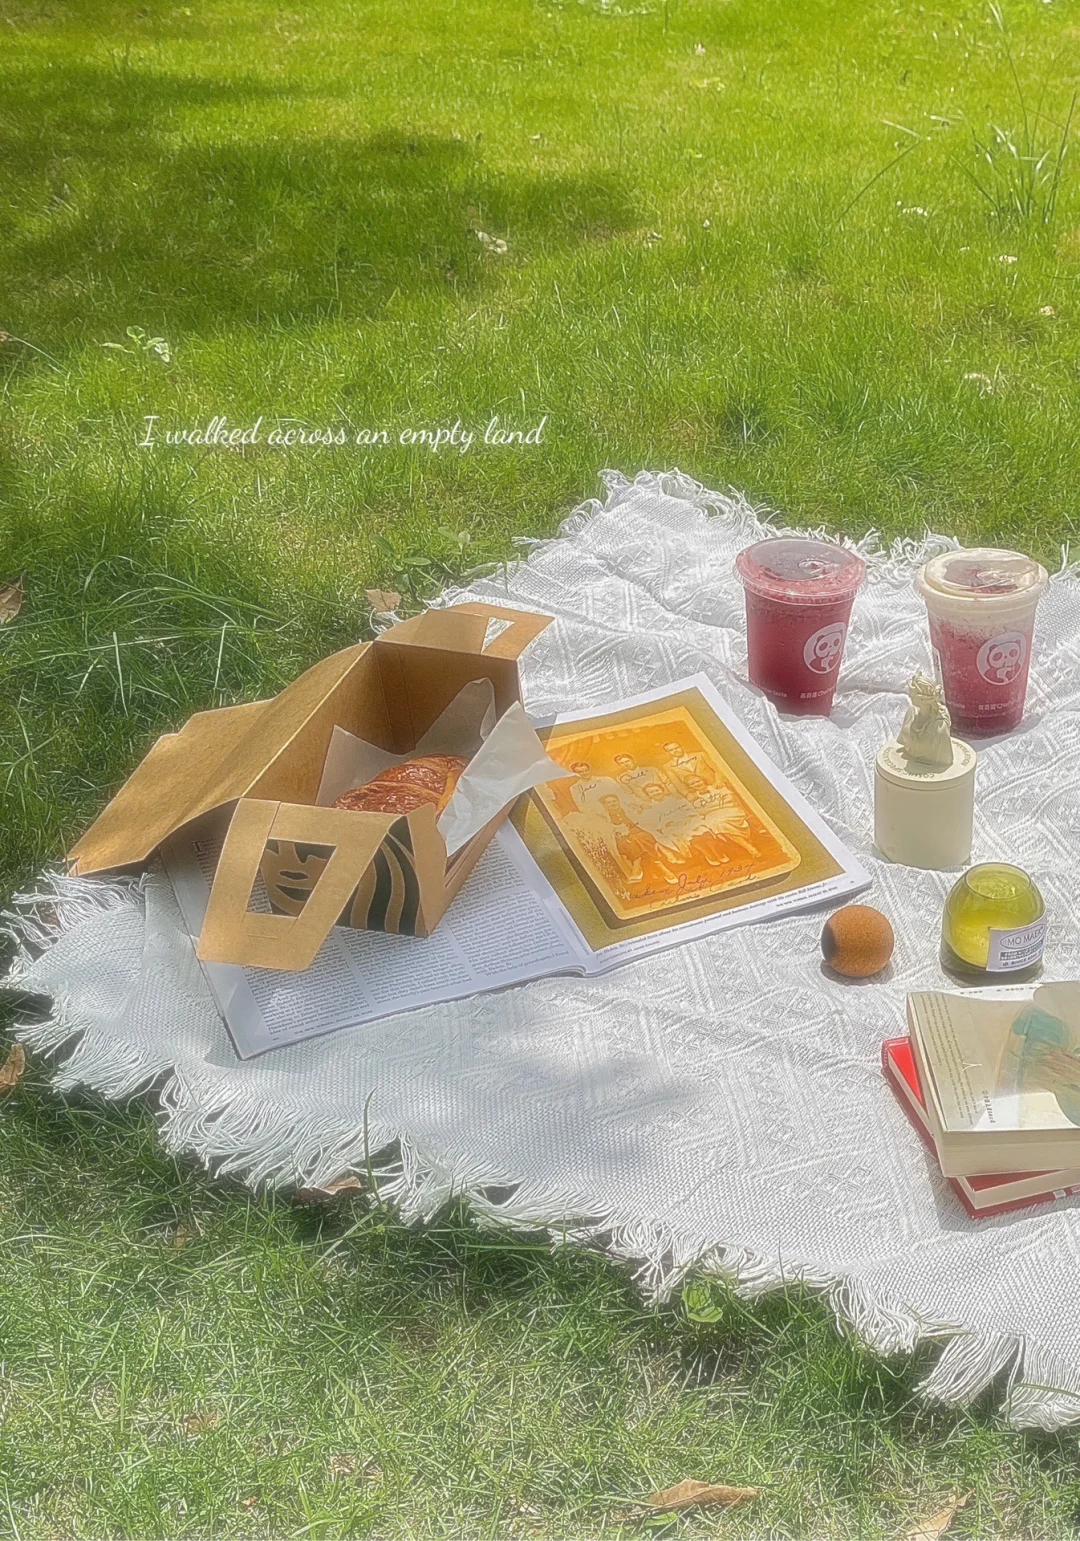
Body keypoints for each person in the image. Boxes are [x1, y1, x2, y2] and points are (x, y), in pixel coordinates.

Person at [597, 792, 679, 886]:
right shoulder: (605, 817)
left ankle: (637, 867)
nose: (612, 803)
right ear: (605, 805)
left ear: (619, 801)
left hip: (639, 831)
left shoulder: (630, 809)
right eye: (609, 802)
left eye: (614, 801)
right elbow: (607, 831)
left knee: (641, 838)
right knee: (631, 841)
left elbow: (642, 819)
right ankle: (661, 867)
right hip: (622, 837)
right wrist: (618, 830)